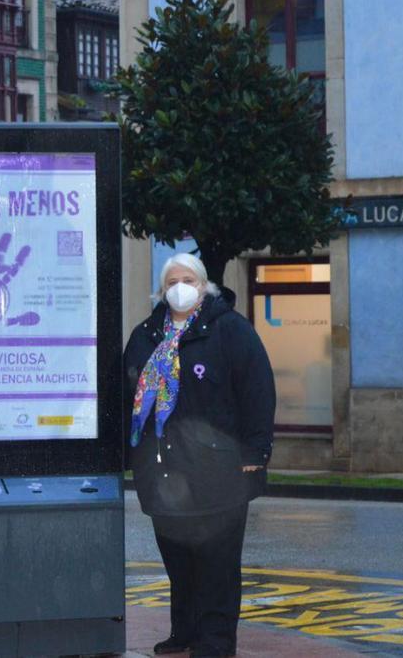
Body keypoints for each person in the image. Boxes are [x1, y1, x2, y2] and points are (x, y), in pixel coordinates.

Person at [123, 253, 275, 658]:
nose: (180, 286)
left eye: (188, 279)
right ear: (160, 289)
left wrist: (256, 450)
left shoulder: (230, 331)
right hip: (163, 472)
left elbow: (257, 391)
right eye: (172, 280)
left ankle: (215, 642)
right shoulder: (146, 335)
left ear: (204, 285)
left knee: (217, 565)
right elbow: (129, 398)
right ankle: (185, 631)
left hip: (219, 471)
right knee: (179, 559)